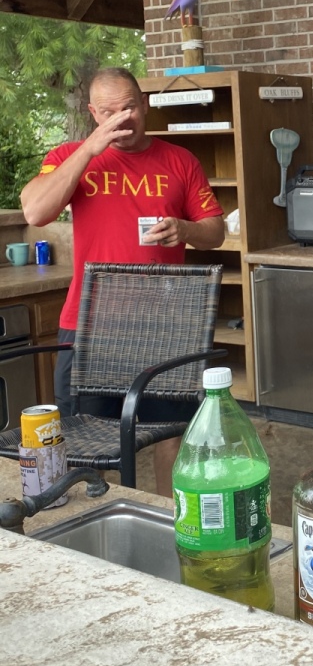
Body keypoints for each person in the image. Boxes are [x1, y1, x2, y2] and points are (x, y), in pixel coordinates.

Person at [20, 66, 225, 496]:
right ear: (93, 113)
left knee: (172, 434)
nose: (121, 119)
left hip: (167, 325)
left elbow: (215, 231)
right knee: (87, 441)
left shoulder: (180, 160)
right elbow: (36, 211)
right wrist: (90, 149)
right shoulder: (69, 156)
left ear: (144, 104)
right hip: (90, 324)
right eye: (109, 111)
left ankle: (170, 521)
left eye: (129, 107)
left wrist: (185, 229)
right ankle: (100, 520)